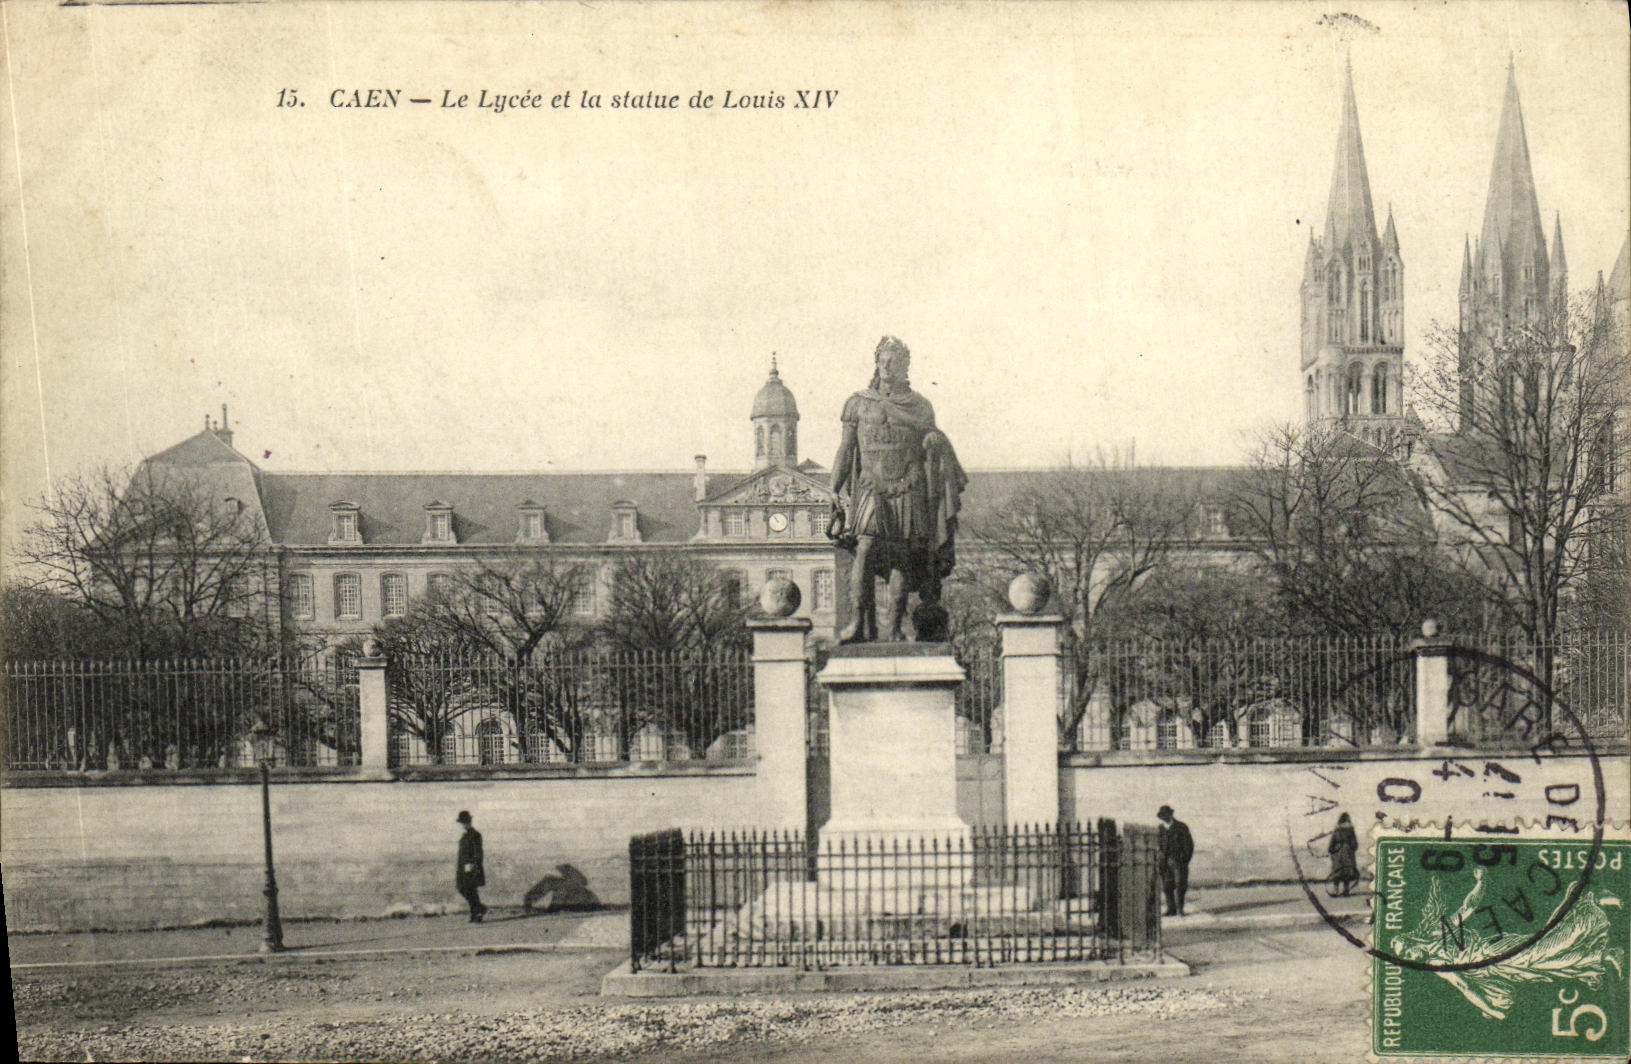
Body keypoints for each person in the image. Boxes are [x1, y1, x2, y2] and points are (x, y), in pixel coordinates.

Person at [827, 336, 967, 643]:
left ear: (904, 365)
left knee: (901, 557)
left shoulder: (919, 405)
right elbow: (846, 448)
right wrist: (833, 487)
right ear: (876, 362)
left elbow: (934, 440)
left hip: (909, 483)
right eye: (882, 360)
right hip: (870, 484)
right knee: (863, 548)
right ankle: (860, 621)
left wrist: (934, 441)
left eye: (893, 361)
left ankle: (896, 625)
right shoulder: (858, 403)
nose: (887, 365)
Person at [1156, 805, 1194, 917]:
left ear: (1171, 815)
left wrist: (1184, 859)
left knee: (1180, 885)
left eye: (1165, 815)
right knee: (1167, 886)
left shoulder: (1181, 827)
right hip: (1164, 862)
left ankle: (1180, 909)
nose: (1163, 818)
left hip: (1178, 862)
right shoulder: (1160, 829)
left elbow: (1189, 845)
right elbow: (1157, 845)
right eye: (1162, 816)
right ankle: (1171, 909)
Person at [455, 810, 487, 922]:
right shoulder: (464, 835)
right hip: (463, 867)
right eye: (462, 823)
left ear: (469, 822)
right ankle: (479, 908)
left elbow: (478, 852)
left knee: (470, 890)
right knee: (464, 888)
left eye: (465, 822)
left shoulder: (475, 835)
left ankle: (476, 913)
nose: (463, 825)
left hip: (471, 867)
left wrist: (473, 864)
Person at [1327, 812, 1360, 897]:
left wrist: (1332, 850)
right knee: (1347, 872)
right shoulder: (1351, 830)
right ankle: (1346, 889)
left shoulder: (1337, 830)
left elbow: (1332, 842)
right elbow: (1354, 844)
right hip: (1348, 853)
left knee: (1337, 872)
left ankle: (1336, 889)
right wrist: (1351, 849)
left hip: (1338, 853)